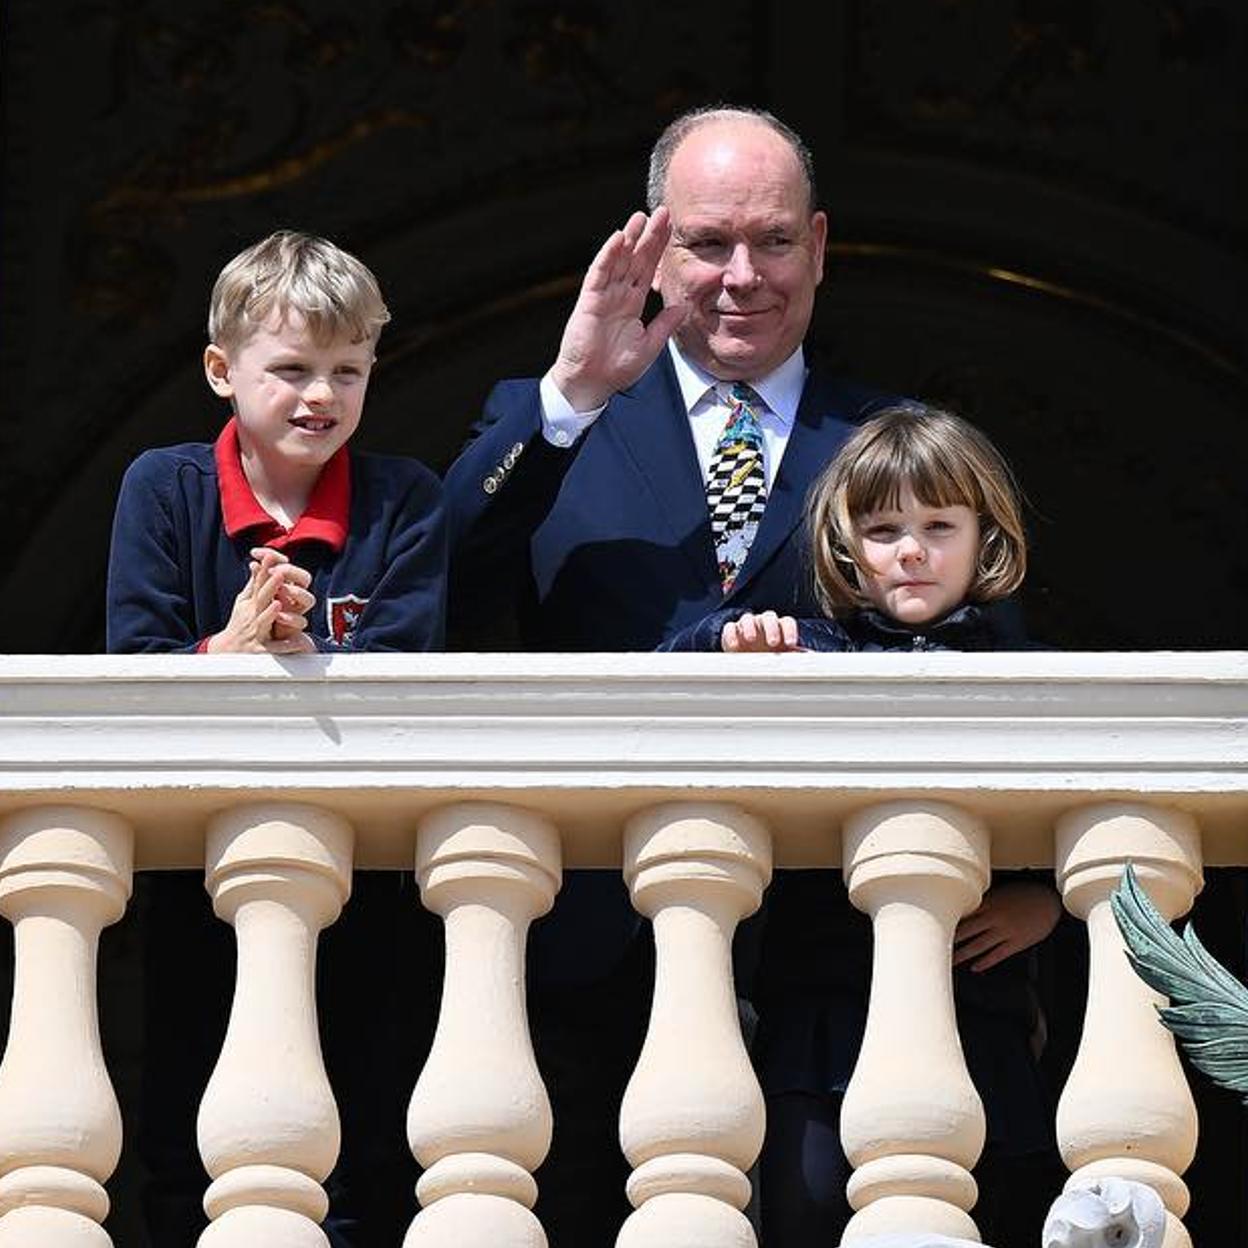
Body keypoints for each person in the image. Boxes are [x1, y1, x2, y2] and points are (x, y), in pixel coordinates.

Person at [443, 105, 888, 1245]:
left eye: (775, 241)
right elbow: (434, 589)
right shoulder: (552, 422)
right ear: (652, 246)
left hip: (830, 957)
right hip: (590, 947)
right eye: (707, 244)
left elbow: (987, 656)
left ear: (821, 247)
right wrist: (574, 396)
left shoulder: (895, 439)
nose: (743, 276)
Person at [106, 230, 447, 1246]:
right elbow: (131, 677)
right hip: (197, 886)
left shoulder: (406, 503)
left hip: (363, 894)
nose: (320, 396)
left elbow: (411, 679)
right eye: (292, 369)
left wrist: (301, 659)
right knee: (188, 1142)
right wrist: (231, 651)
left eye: (348, 371)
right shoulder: (163, 491)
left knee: (357, 1148)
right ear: (222, 370)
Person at [665, 403, 1066, 1248]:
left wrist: (1050, 902)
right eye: (883, 529)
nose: (912, 550)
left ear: (985, 538)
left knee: (985, 1214)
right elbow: (666, 667)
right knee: (808, 1210)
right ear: (848, 547)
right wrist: (730, 638)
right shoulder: (813, 649)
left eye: (939, 525)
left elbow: (1092, 817)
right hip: (822, 1007)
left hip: (977, 1007)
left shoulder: (1030, 674)